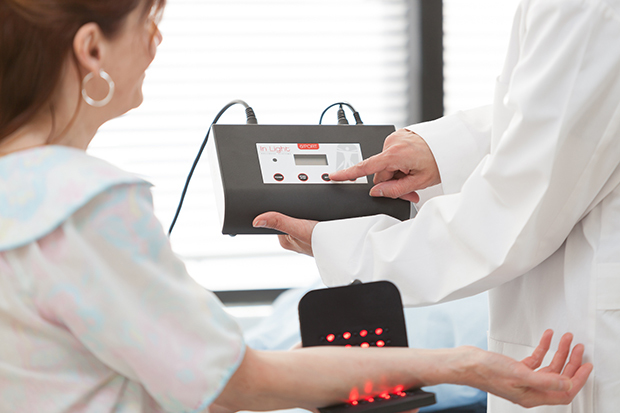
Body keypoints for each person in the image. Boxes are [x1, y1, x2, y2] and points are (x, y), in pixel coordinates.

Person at [0, 0, 593, 412]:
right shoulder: (89, 206)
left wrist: (303, 369)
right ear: (91, 48)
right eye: (147, 20)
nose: (157, 38)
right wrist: (463, 365)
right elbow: (238, 385)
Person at [253, 0, 620, 412]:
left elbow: (511, 216)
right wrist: (442, 149)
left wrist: (345, 247)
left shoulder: (586, 8)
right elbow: (560, 110)